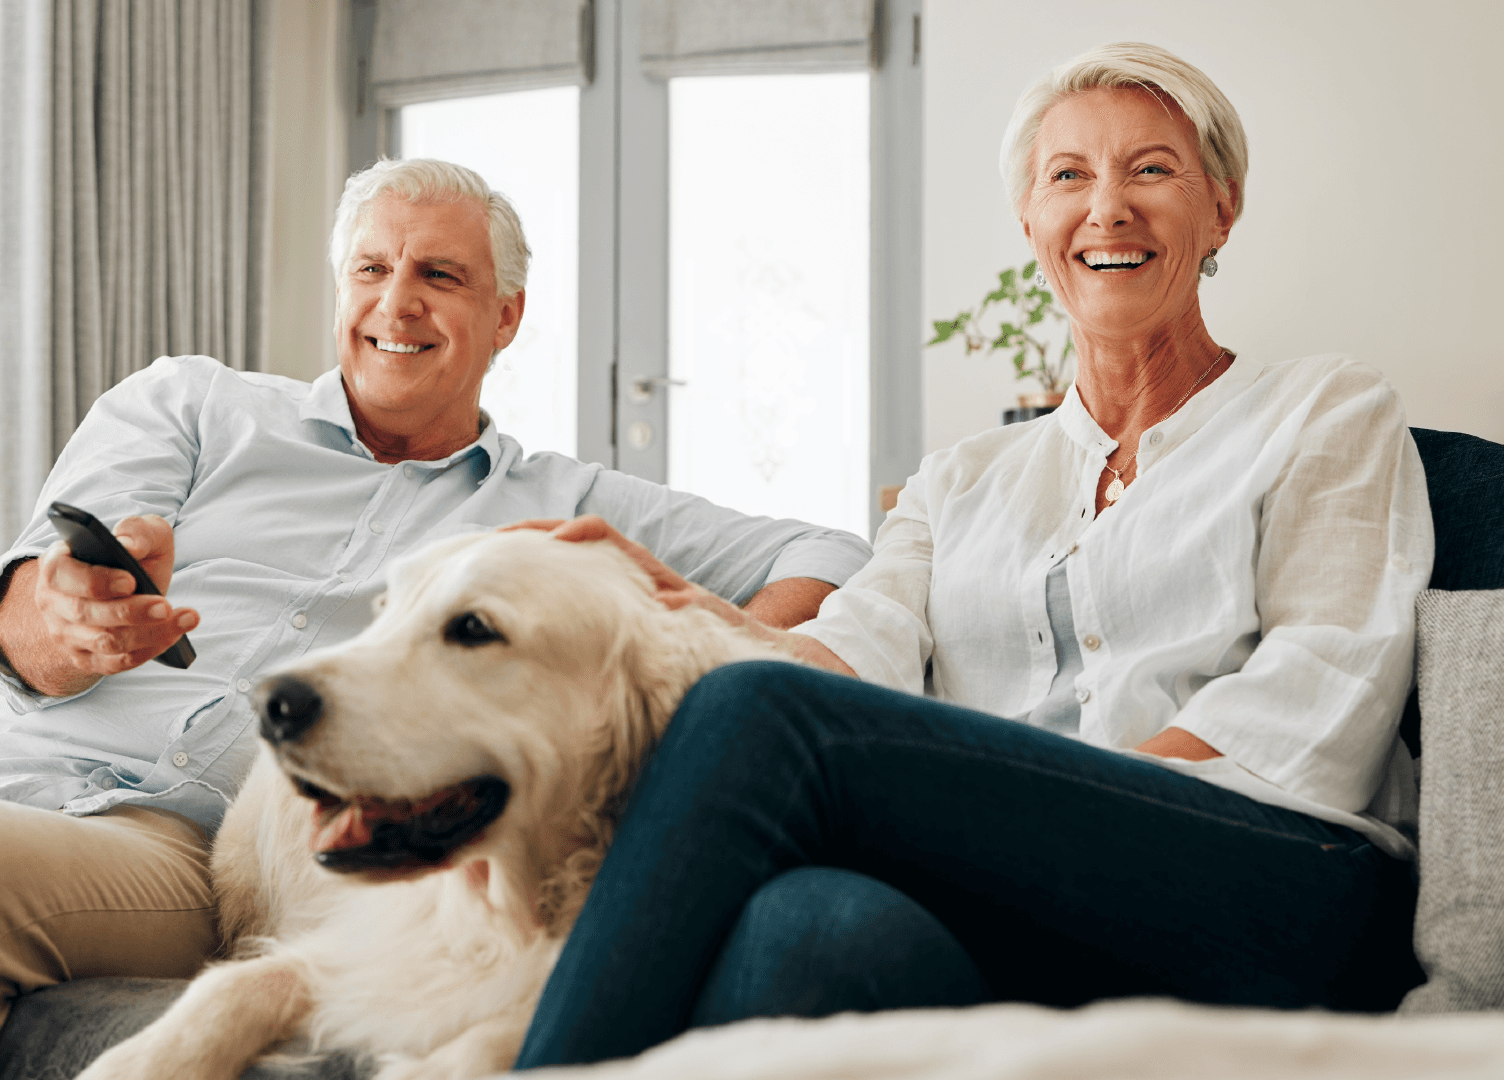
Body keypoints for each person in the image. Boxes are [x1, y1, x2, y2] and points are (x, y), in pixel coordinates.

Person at [0, 158, 869, 1080]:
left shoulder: (562, 503)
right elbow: (45, 593)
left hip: (168, 841)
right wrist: (62, 609)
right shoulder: (195, 407)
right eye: (371, 269)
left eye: (439, 276)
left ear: (505, 316)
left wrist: (644, 601)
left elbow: (833, 557)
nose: (396, 303)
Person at [513, 42, 1432, 1069]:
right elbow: (839, 662)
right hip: (1032, 911)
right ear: (1031, 222)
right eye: (1068, 176)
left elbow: (1321, 697)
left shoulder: (1326, 410)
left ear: (1222, 209)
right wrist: (667, 605)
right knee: (809, 931)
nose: (1108, 208)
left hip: (1280, 886)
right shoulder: (958, 481)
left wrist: (1011, 809)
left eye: (1152, 170)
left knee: (754, 723)